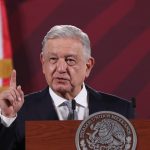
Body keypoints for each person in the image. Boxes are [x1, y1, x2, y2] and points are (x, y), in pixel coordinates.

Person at [0, 25, 134, 150]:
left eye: (70, 60)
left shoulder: (120, 110)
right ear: (43, 62)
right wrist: (7, 118)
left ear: (88, 66)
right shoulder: (19, 111)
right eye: (53, 59)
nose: (61, 68)